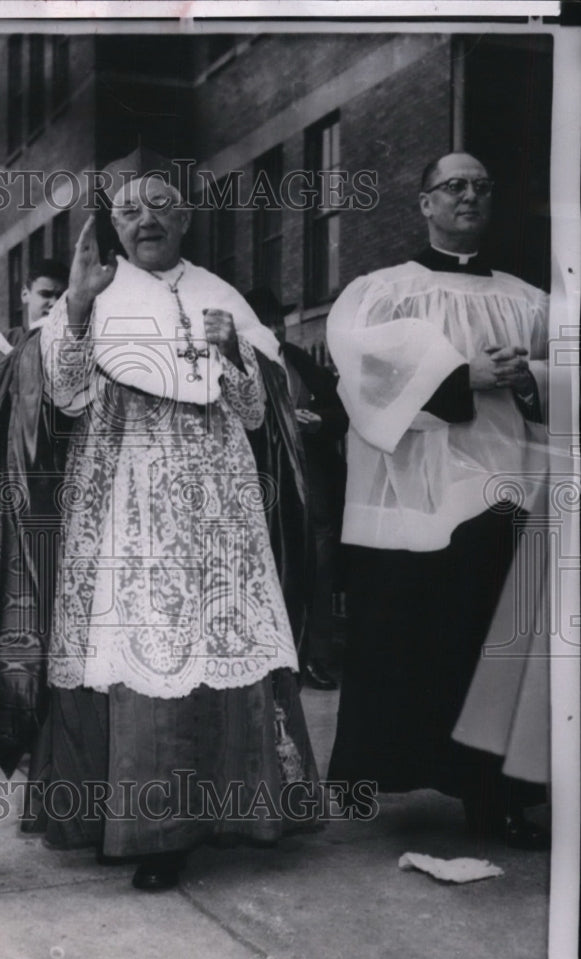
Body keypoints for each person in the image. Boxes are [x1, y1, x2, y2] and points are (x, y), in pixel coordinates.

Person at [32, 152, 322, 891]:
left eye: (160, 206)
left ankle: (235, 813)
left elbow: (258, 413)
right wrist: (72, 308)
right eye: (128, 210)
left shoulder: (220, 292)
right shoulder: (94, 289)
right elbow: (64, 396)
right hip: (128, 500)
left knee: (219, 638)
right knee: (143, 641)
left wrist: (235, 353)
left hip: (218, 504)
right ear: (112, 223)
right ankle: (155, 832)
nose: (145, 219)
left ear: (185, 218)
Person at [325, 152, 550, 848]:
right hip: (409, 497)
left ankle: (493, 800)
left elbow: (562, 375)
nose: (469, 196)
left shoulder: (528, 298)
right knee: (405, 644)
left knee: (490, 651)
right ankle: (382, 775)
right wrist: (463, 375)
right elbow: (355, 368)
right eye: (453, 186)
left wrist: (525, 377)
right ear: (423, 203)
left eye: (482, 186)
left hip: (500, 491)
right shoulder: (378, 291)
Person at [245, 286, 348, 691]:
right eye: (264, 323)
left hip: (314, 494)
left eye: (279, 322)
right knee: (269, 574)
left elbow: (343, 410)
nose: (274, 330)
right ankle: (271, 660)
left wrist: (319, 422)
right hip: (262, 493)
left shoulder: (301, 362)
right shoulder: (233, 365)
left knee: (320, 573)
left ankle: (317, 660)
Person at [0, 258, 69, 369]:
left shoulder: (72, 345)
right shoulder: (0, 344)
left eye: (61, 297)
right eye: (45, 294)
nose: (54, 303)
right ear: (25, 294)